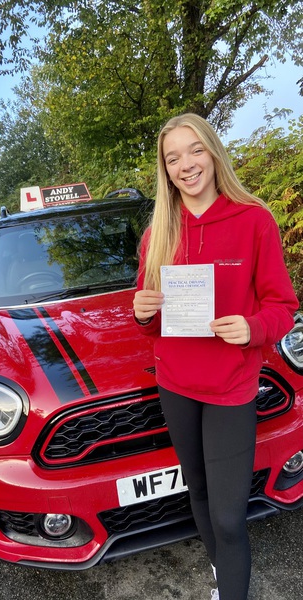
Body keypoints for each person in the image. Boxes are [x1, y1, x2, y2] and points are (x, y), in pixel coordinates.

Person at [133, 113, 299, 600]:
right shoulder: (158, 234)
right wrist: (142, 313)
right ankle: (223, 575)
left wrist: (253, 328)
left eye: (195, 150)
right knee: (200, 493)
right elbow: (151, 324)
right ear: (165, 170)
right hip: (176, 385)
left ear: (213, 152)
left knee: (228, 516)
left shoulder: (254, 220)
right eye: (173, 158)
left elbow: (283, 307)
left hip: (230, 387)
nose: (186, 165)